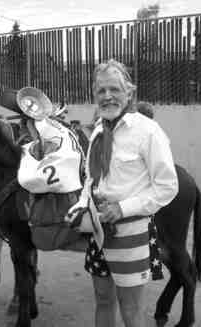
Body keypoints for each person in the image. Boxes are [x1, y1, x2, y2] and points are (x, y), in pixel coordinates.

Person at [67, 59, 178, 327]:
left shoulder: (148, 131)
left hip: (132, 234)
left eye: (114, 89)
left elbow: (167, 185)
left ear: (129, 93)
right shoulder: (96, 133)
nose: (107, 96)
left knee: (131, 309)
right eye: (101, 91)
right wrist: (81, 205)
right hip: (98, 231)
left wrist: (122, 208)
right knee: (103, 300)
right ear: (95, 96)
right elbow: (91, 180)